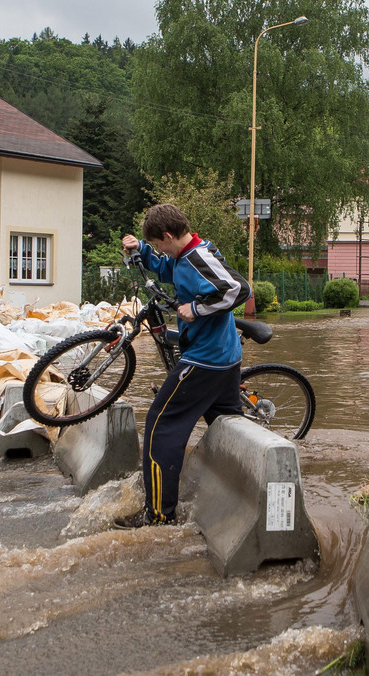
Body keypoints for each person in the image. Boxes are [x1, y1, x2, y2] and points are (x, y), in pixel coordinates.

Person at [114, 203, 252, 529]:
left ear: (168, 235)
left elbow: (239, 289)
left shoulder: (197, 258)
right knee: (226, 429)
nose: (160, 250)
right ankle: (241, 498)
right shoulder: (183, 256)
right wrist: (141, 251)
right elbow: (166, 268)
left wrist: (198, 309)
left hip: (206, 360)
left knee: (161, 427)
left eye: (159, 244)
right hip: (223, 359)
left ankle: (159, 516)